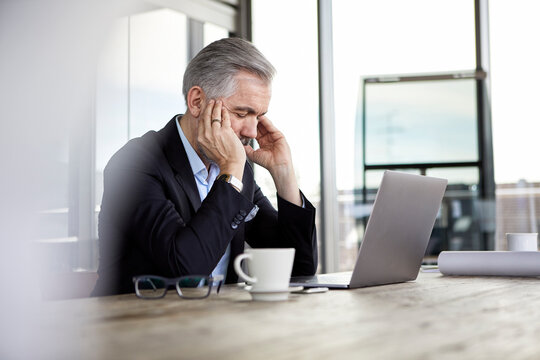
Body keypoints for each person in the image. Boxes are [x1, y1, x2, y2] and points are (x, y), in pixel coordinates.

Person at [92, 37, 318, 296]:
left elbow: (300, 269)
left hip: (214, 326)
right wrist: (231, 172)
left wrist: (284, 173)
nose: (253, 131)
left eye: (259, 117)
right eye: (242, 114)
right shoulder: (135, 164)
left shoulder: (237, 170)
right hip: (135, 326)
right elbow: (185, 270)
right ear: (197, 101)